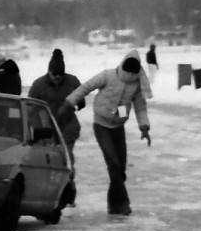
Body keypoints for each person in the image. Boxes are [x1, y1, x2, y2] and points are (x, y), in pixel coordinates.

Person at [61, 49, 151, 216]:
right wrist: (69, 103)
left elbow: (140, 107)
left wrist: (144, 127)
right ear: (123, 66)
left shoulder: (136, 84)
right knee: (113, 164)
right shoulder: (108, 75)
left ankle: (113, 204)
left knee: (120, 169)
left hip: (118, 126)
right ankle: (123, 204)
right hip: (101, 125)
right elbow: (86, 87)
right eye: (127, 72)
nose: (129, 76)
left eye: (133, 73)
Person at [27, 49, 83, 204]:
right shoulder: (39, 85)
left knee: (67, 159)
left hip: (68, 128)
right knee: (48, 160)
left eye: (61, 76)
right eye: (54, 75)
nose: (58, 78)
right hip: (46, 130)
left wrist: (77, 104)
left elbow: (82, 99)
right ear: (49, 72)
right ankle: (45, 192)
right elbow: (30, 109)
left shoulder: (72, 81)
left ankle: (69, 192)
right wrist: (36, 128)